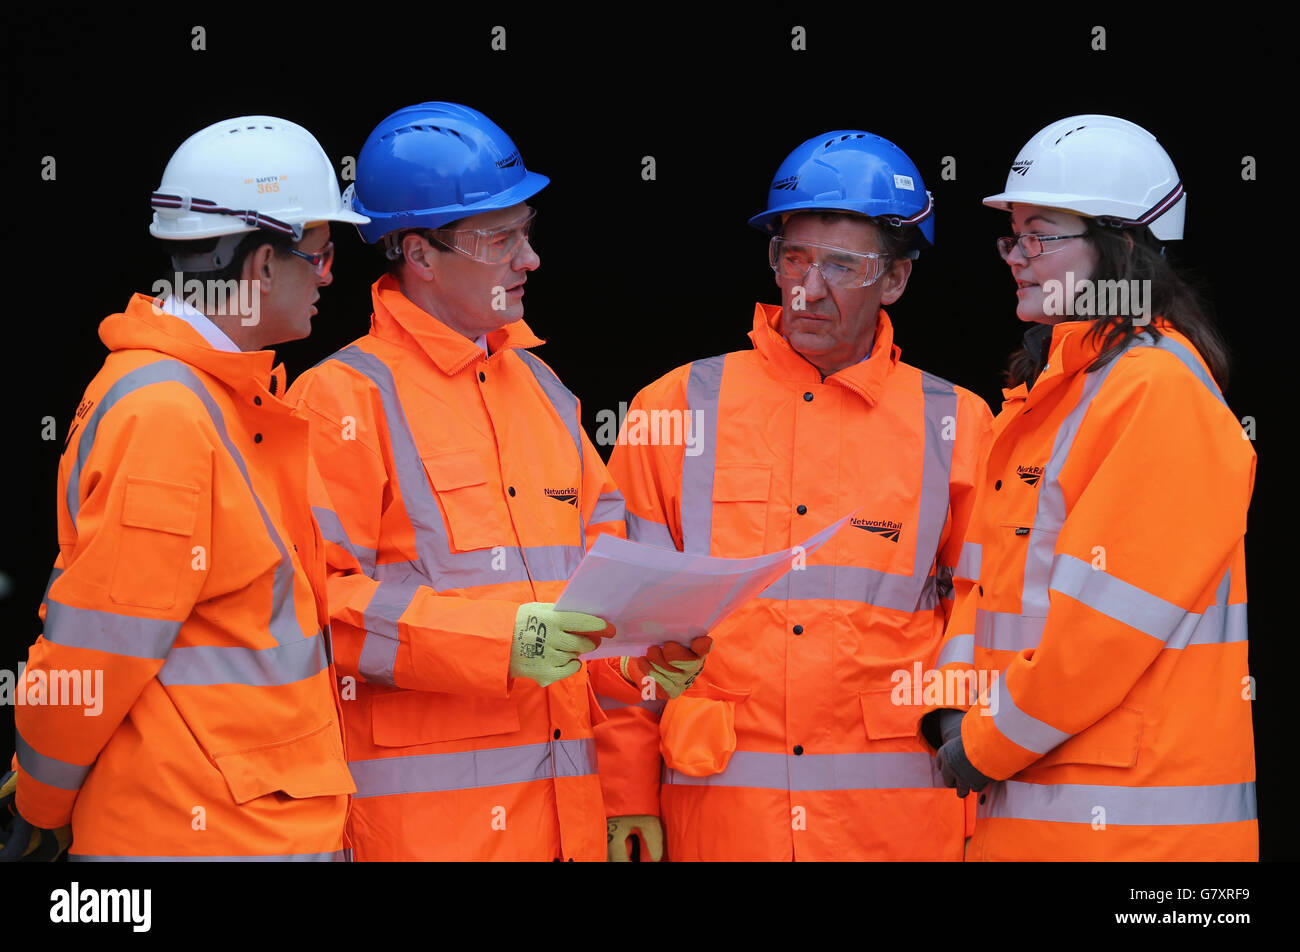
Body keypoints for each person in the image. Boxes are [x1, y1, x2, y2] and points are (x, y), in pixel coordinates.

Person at [286, 102, 708, 862]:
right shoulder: (341, 400)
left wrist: (644, 653)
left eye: (526, 232)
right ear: (417, 251)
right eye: (499, 238)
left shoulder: (545, 392)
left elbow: (597, 595)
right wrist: (499, 643)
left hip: (564, 827)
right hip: (425, 840)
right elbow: (316, 608)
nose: (528, 259)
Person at [601, 131, 994, 861]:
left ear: (897, 280)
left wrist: (977, 787)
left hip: (897, 829)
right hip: (723, 824)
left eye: (843, 265)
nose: (808, 288)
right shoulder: (675, 406)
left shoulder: (958, 424)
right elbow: (621, 629)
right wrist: (624, 793)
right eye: (795, 258)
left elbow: (989, 618)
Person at [4, 116, 364, 860]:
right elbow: (96, 652)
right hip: (196, 837)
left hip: (245, 830)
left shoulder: (216, 401)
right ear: (262, 265)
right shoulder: (169, 415)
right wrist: (39, 807)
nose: (329, 274)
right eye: (321, 252)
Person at [931, 115, 1257, 860]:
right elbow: (981, 594)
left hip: (1138, 843)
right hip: (1037, 820)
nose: (1017, 256)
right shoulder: (1052, 399)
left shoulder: (1154, 391)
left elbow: (1104, 632)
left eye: (1040, 234)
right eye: (1013, 235)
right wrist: (952, 713)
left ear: (1122, 246)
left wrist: (979, 743)